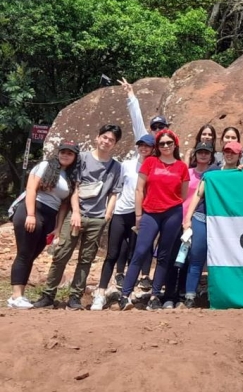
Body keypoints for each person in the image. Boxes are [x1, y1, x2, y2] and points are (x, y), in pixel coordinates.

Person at [34, 125, 123, 310]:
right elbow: (74, 186)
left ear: (115, 144)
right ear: (97, 138)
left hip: (97, 218)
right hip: (75, 215)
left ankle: (75, 297)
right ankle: (48, 294)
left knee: (86, 259)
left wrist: (107, 215)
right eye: (104, 137)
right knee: (62, 254)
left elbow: (114, 193)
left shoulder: (116, 167)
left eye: (111, 140)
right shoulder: (82, 158)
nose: (106, 142)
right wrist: (75, 212)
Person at [120, 129, 190, 311]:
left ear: (175, 144)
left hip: (172, 213)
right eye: (161, 143)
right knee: (140, 251)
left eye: (169, 143)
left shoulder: (181, 167)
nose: (165, 146)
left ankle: (155, 295)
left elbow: (182, 195)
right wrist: (138, 215)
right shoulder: (150, 162)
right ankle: (125, 295)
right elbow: (139, 189)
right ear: (157, 147)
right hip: (150, 212)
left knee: (164, 256)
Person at [8, 143, 80, 309]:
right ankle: (15, 295)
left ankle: (20, 295)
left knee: (32, 255)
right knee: (24, 253)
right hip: (32, 210)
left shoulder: (70, 176)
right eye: (63, 152)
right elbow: (31, 189)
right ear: (58, 153)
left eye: (70, 153)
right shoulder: (45, 166)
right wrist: (31, 215)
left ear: (75, 157)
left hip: (50, 216)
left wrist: (58, 227)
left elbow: (64, 205)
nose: (66, 155)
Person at [91, 134, 155, 311]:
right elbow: (116, 188)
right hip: (121, 212)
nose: (144, 148)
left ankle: (127, 295)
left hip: (141, 214)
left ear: (152, 148)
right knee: (112, 253)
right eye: (141, 145)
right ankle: (101, 293)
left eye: (147, 146)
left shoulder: (155, 166)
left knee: (135, 255)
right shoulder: (126, 165)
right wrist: (109, 210)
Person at [182, 142, 243, 308]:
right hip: (203, 217)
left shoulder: (242, 174)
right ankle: (190, 296)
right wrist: (188, 218)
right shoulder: (213, 172)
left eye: (233, 152)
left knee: (222, 260)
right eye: (227, 152)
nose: (229, 155)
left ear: (240, 155)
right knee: (196, 255)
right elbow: (198, 194)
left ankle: (215, 295)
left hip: (226, 224)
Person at [163, 140, 219, 309]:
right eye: (200, 151)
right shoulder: (187, 172)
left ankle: (186, 294)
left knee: (193, 260)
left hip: (205, 219)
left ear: (211, 156)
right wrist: (184, 218)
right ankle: (173, 296)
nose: (203, 155)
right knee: (178, 258)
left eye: (206, 152)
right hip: (185, 218)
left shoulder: (216, 173)